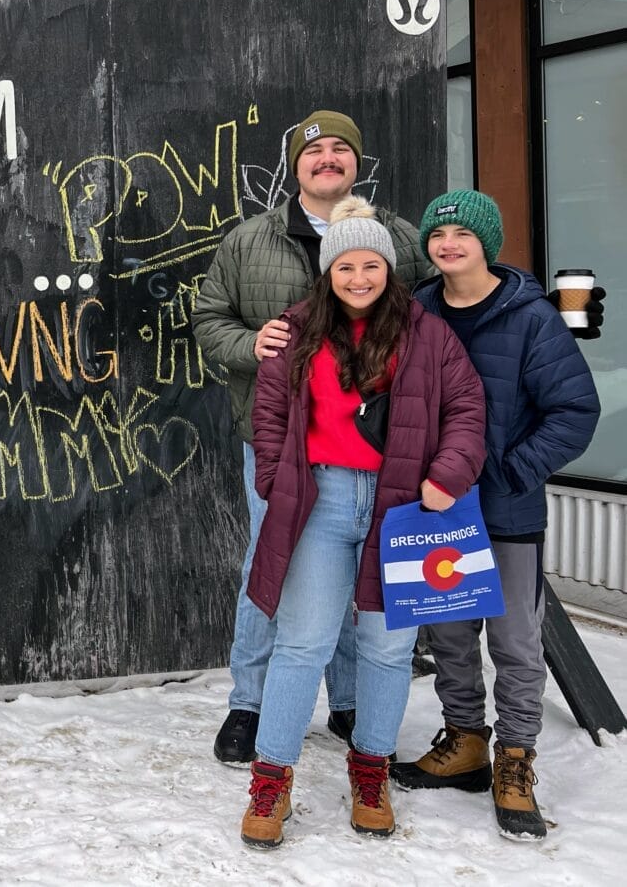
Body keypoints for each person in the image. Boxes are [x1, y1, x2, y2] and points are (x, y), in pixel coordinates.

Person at [239, 197, 485, 848]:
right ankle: (271, 777)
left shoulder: (426, 332)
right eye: (345, 264)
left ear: (386, 267)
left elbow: (466, 407)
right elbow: (268, 413)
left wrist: (447, 476)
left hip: (402, 503)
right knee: (303, 642)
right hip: (318, 501)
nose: (358, 276)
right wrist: (273, 479)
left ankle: (370, 768)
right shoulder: (296, 328)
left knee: (387, 647)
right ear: (328, 269)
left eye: (369, 263)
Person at [194, 109, 429, 764]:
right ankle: (251, 701)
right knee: (271, 565)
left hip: (376, 448)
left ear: (356, 162)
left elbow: (435, 317)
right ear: (295, 166)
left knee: (363, 567)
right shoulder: (250, 241)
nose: (327, 158)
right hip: (280, 445)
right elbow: (209, 317)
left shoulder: (398, 238)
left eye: (339, 149)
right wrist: (249, 341)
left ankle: (350, 698)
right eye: (314, 150)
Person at [392, 190, 600, 841]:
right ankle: (465, 743)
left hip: (507, 509)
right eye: (438, 232)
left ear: (489, 240)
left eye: (463, 232)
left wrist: (511, 469)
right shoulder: (418, 308)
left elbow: (575, 411)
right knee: (450, 635)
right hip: (438, 508)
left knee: (514, 640)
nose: (449, 243)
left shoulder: (529, 316)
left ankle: (514, 758)